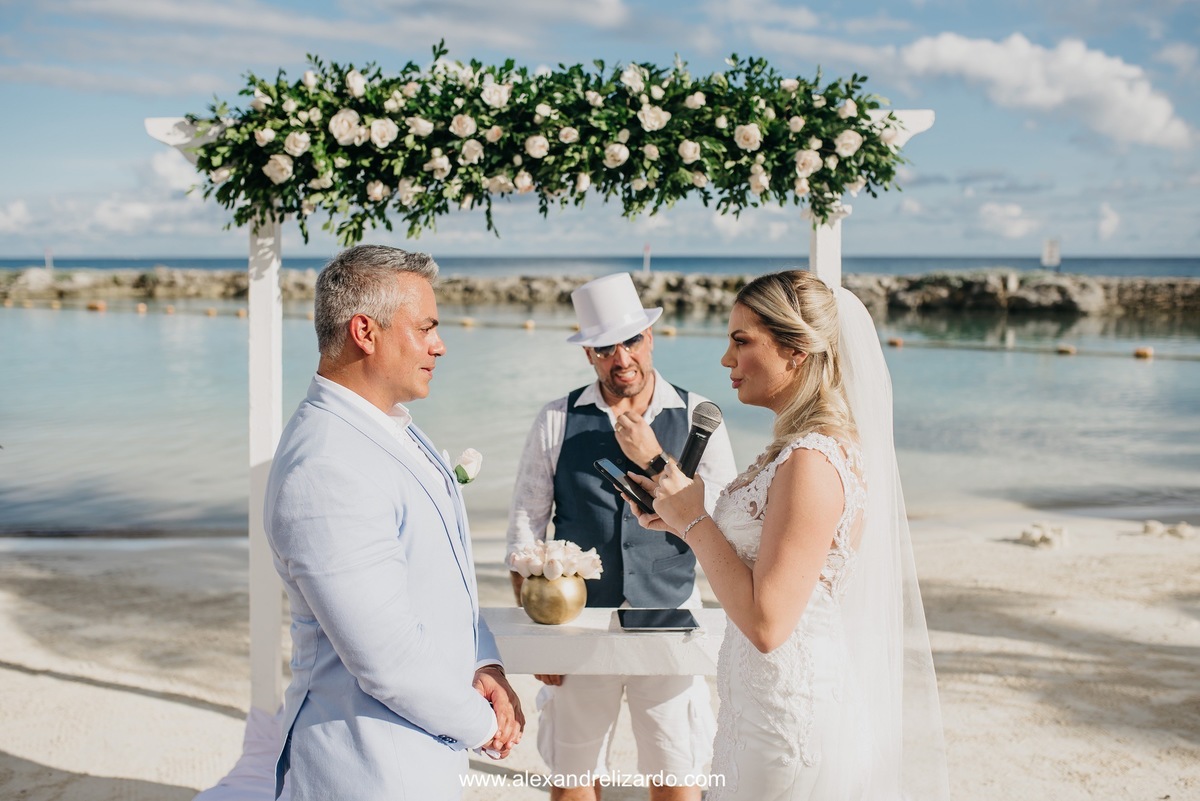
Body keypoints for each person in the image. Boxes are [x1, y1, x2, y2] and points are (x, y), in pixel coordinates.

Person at [628, 271, 949, 800]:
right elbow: (765, 568)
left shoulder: (812, 462)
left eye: (741, 341)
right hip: (759, 711)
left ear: (796, 350)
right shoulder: (795, 451)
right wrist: (682, 523)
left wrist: (695, 521)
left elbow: (768, 622)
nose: (726, 361)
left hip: (787, 723)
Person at [264, 245, 524, 800]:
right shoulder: (327, 466)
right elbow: (387, 660)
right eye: (426, 326)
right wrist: (484, 725)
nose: (440, 344)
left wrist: (484, 661)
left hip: (420, 751)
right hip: (365, 769)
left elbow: (441, 579)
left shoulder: (390, 428)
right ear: (366, 331)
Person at [507, 272, 738, 801]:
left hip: (671, 617)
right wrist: (540, 629)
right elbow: (525, 522)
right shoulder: (556, 419)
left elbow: (724, 518)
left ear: (649, 338)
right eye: (605, 348)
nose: (622, 358)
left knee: (677, 781)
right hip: (579, 625)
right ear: (589, 353)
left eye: (631, 341)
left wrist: (654, 453)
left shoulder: (699, 417)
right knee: (572, 784)